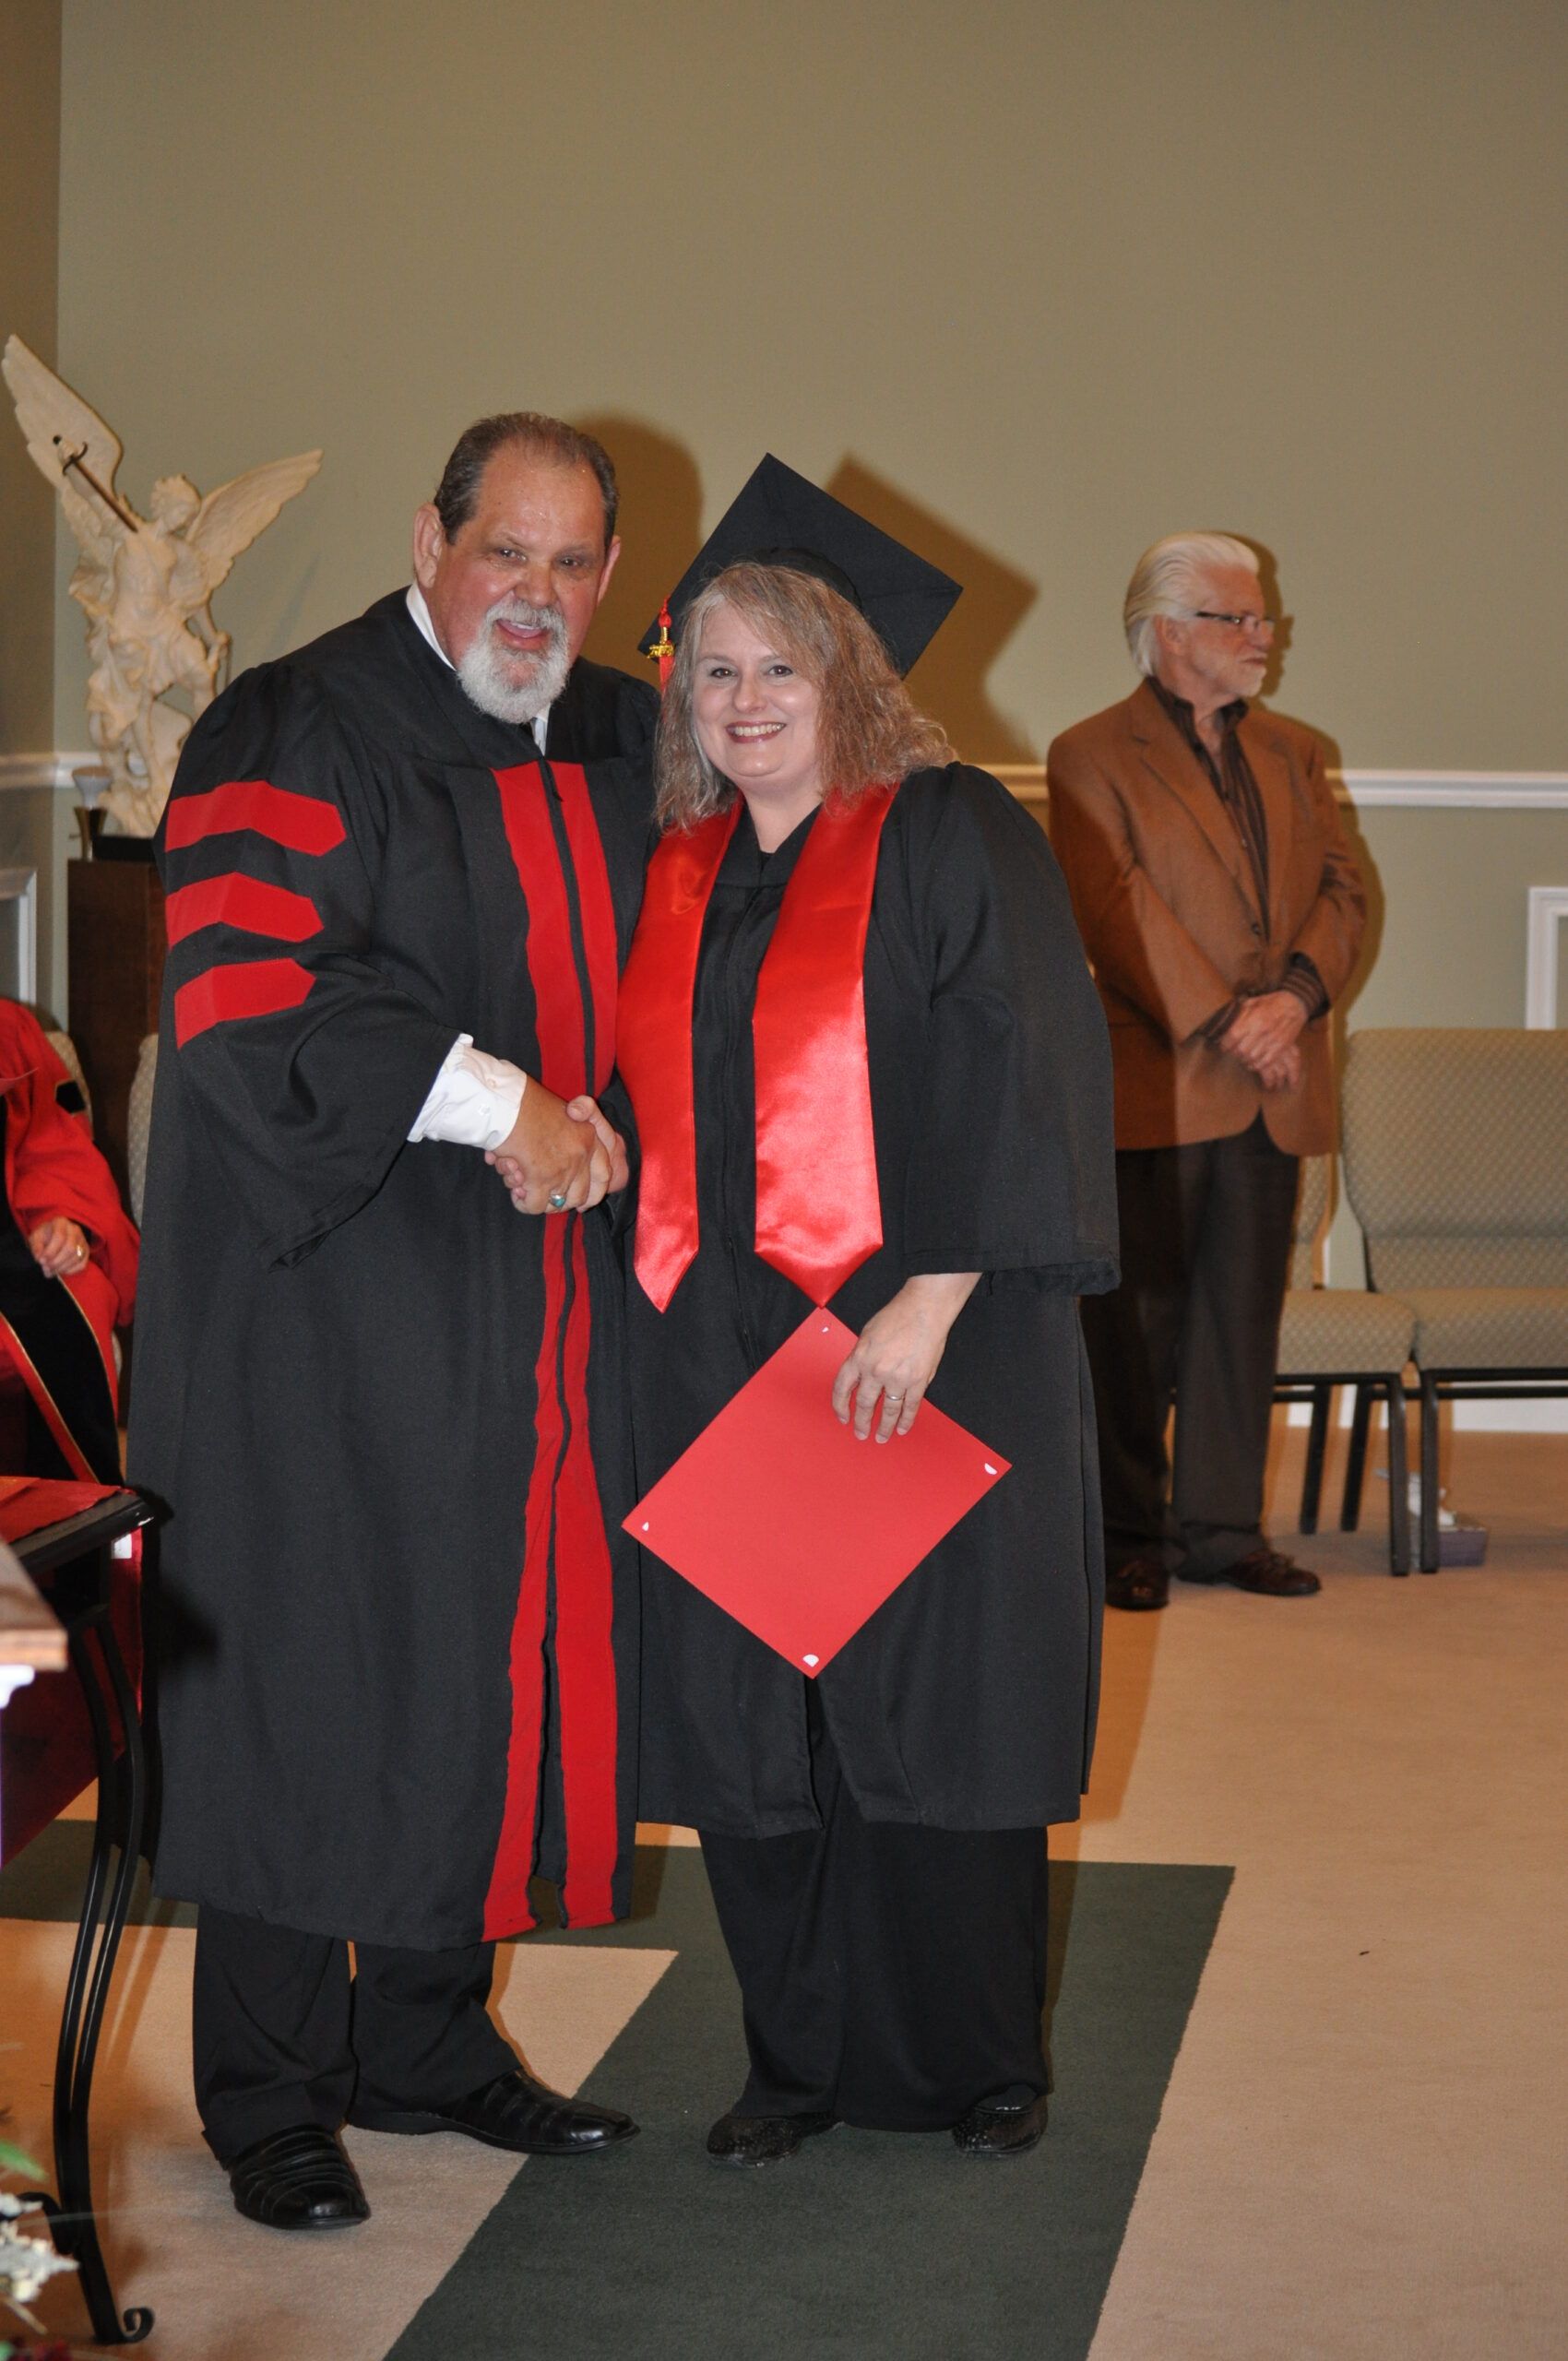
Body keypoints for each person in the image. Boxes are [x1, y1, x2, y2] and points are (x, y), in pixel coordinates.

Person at [131, 412, 658, 2231]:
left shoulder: (604, 733)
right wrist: (499, 1099)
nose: (538, 593)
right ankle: (269, 2087)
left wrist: (609, 1123)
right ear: (429, 539)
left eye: (574, 560)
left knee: (480, 1646)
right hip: (318, 1300)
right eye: (506, 548)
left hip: (525, 1304)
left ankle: (428, 2033)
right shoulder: (296, 721)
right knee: (304, 1658)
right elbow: (250, 986)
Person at [556, 460, 1116, 2165]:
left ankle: (974, 2063)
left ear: (850, 680)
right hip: (718, 1344)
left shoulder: (956, 832)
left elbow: (1027, 1068)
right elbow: (655, 1104)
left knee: (931, 1712)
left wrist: (929, 1305)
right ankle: (789, 2060)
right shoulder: (678, 866)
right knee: (760, 1727)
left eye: (778, 669)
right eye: (712, 670)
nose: (741, 704)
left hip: (927, 1338)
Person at [1047, 532, 1367, 1611]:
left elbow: (1342, 891)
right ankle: (1126, 1533)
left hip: (1271, 1084)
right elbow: (1113, 906)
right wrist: (1228, 1017)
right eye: (1239, 617)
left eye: (1260, 617)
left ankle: (1223, 1531)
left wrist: (1292, 1002)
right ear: (1171, 631)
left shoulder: (1292, 752)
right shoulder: (1089, 752)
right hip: (1158, 1080)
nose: (1261, 636)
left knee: (1241, 1317)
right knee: (1135, 1326)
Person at [0, 1000, 137, 1482]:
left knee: (76, 1291)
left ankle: (67, 1544)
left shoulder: (7, 1032)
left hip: (10, 1261)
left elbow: (54, 1149)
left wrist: (63, 1218)